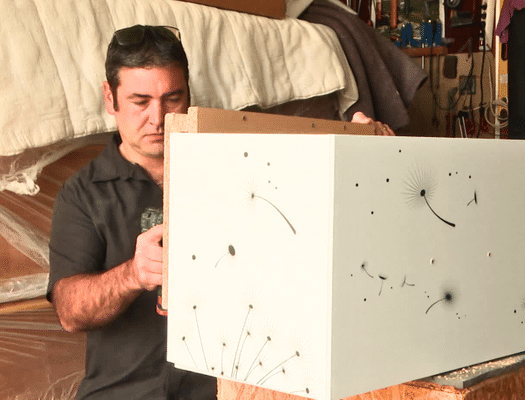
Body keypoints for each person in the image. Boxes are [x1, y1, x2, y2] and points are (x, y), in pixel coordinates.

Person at [47, 24, 394, 400]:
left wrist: (364, 150)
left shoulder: (237, 169)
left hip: (224, 392)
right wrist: (134, 274)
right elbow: (69, 310)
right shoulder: (82, 194)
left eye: (172, 99)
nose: (157, 117)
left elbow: (313, 191)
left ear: (189, 95)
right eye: (140, 101)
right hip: (121, 393)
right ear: (109, 97)